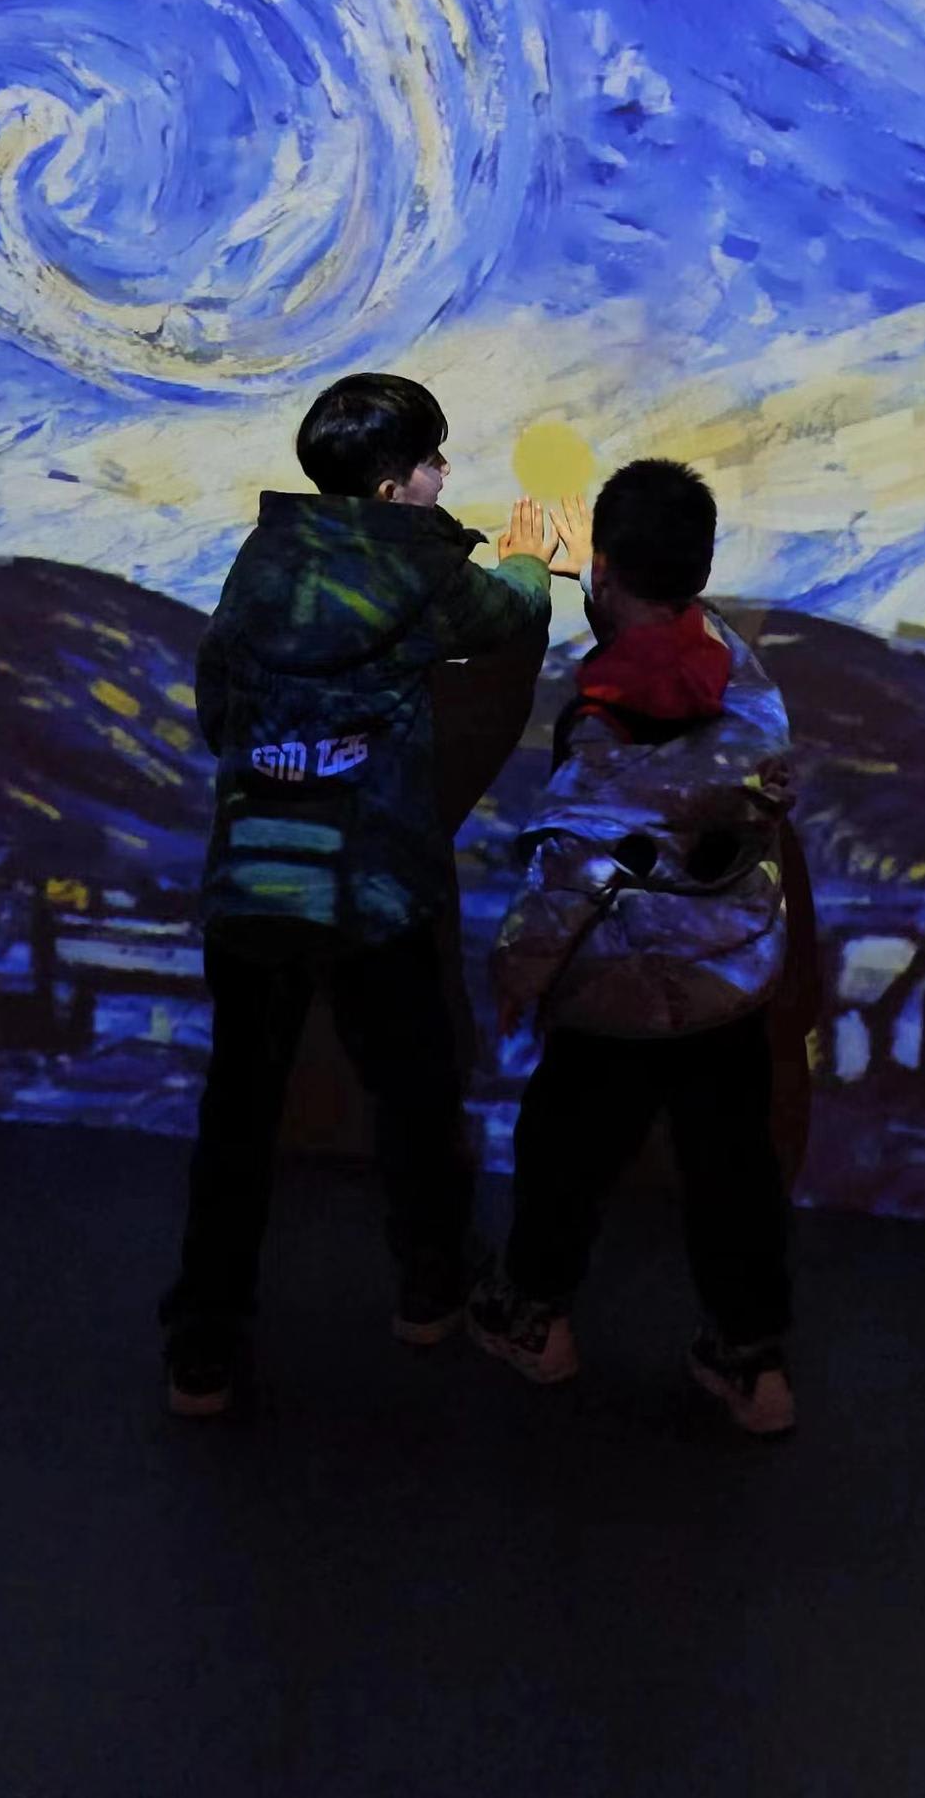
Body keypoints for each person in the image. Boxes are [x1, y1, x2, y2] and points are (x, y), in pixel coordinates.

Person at [160, 371, 556, 1417]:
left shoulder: (265, 556)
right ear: (391, 488)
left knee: (238, 1113)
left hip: (254, 877)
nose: (443, 472)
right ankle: (432, 1291)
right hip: (370, 885)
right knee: (415, 1094)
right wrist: (530, 550)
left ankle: (202, 1349)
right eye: (431, 458)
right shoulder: (420, 566)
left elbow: (216, 698)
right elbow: (511, 608)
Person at [467, 458, 800, 1436]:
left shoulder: (608, 723)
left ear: (605, 569)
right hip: (726, 981)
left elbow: (570, 873)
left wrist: (517, 973)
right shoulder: (743, 676)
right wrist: (614, 584)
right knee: (734, 1172)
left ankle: (534, 1320)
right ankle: (753, 1364)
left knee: (563, 1156)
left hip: (617, 993)